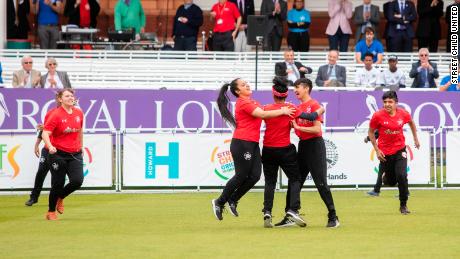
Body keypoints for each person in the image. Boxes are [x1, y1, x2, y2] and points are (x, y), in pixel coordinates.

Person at [211, 78, 295, 221]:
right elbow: (263, 114)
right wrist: (283, 110)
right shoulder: (243, 103)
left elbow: (267, 112)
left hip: (253, 143)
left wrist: (285, 109)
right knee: (241, 175)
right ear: (238, 91)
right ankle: (219, 202)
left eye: (246, 83)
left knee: (255, 176)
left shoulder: (253, 102)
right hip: (242, 142)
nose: (247, 85)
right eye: (243, 85)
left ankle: (233, 199)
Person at [262, 77, 324, 228]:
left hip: (268, 149)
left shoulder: (265, 109)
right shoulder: (291, 109)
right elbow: (310, 117)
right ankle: (293, 210)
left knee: (270, 182)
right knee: (295, 179)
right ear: (286, 95)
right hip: (284, 149)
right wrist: (321, 109)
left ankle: (267, 211)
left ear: (273, 94)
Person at [288, 78, 340, 228]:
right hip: (303, 145)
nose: (295, 90)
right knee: (296, 179)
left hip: (315, 146)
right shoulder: (298, 107)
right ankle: (292, 212)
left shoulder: (314, 105)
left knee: (321, 183)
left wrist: (298, 126)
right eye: (294, 88)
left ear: (306, 88)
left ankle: (333, 216)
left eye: (297, 87)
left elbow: (317, 129)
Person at [368, 90, 420, 215]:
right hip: (384, 153)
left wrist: (415, 138)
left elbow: (412, 123)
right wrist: (377, 149)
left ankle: (403, 205)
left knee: (402, 175)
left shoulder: (403, 114)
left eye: (390, 102)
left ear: (396, 103)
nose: (387, 104)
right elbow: (370, 132)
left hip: (400, 150)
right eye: (385, 102)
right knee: (390, 182)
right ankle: (386, 178)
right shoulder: (377, 116)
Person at [42, 89, 84, 220]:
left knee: (77, 181)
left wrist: (81, 146)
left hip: (75, 153)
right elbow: (45, 133)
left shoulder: (79, 112)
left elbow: (80, 130)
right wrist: (50, 146)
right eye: (67, 96)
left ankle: (61, 197)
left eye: (72, 95)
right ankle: (50, 212)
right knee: (58, 183)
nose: (71, 97)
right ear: (60, 99)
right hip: (57, 153)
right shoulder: (55, 115)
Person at [25, 103, 60, 206]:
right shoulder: (50, 113)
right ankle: (33, 197)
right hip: (47, 148)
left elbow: (63, 131)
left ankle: (55, 199)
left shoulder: (69, 114)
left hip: (60, 150)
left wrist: (45, 127)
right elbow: (45, 131)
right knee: (41, 172)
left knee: (56, 175)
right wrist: (37, 144)